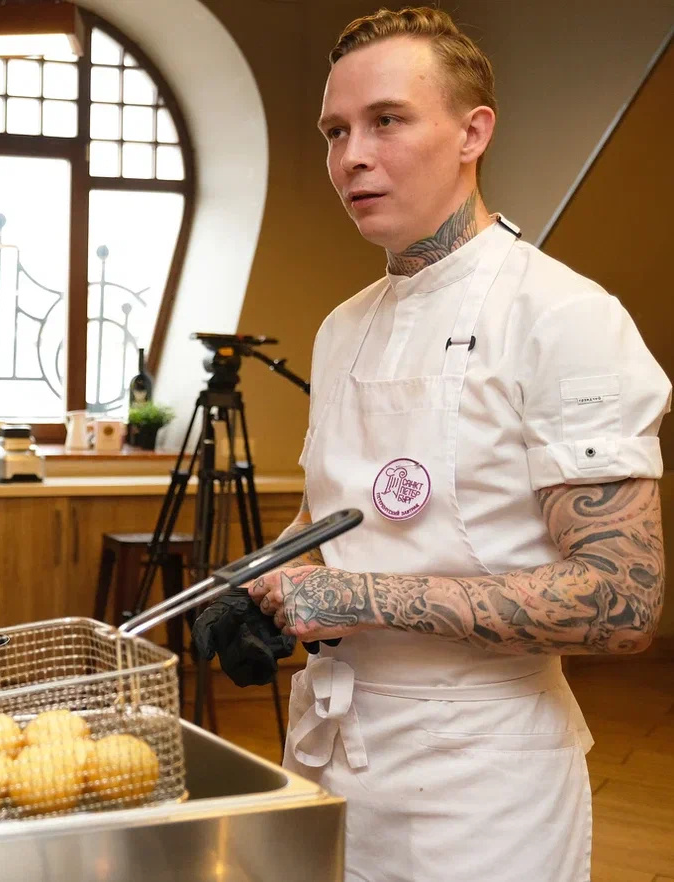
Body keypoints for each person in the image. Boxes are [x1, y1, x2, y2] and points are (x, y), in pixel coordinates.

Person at [194, 7, 669, 880]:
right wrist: (261, 580)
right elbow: (335, 515)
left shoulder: (563, 317)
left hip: (481, 780)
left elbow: (620, 599)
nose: (350, 157)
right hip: (331, 752)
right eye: (335, 131)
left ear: (471, 133)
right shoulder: (344, 326)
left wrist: (354, 601)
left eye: (387, 120)